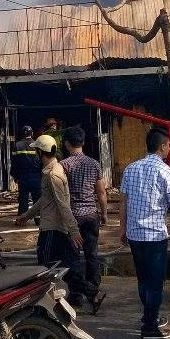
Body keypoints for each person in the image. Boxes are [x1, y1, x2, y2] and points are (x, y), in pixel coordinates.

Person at [119, 128, 170, 339]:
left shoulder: (131, 169)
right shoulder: (167, 172)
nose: (169, 149)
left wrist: (123, 229)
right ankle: (149, 327)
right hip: (155, 235)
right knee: (155, 282)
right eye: (168, 145)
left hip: (135, 234)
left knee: (143, 279)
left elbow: (124, 203)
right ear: (162, 146)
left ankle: (150, 315)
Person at [14, 135, 83, 281]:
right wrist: (26, 216)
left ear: (40, 152)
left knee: (45, 266)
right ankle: (87, 293)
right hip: (54, 227)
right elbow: (44, 200)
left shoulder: (53, 175)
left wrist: (74, 230)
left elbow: (62, 204)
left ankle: (46, 297)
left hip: (53, 228)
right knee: (66, 263)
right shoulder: (51, 171)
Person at [60, 126, 109, 313]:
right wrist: (103, 213)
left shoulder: (64, 165)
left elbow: (61, 193)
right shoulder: (94, 164)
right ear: (83, 142)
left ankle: (77, 294)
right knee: (92, 254)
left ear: (66, 143)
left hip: (73, 217)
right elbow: (101, 192)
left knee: (74, 257)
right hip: (91, 215)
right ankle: (93, 288)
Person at [11, 125, 42, 219]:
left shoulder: (17, 145)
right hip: (36, 176)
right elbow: (41, 160)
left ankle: (22, 219)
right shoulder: (37, 144)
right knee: (37, 199)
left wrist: (14, 176)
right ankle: (38, 219)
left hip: (22, 176)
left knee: (23, 199)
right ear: (32, 133)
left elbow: (14, 162)